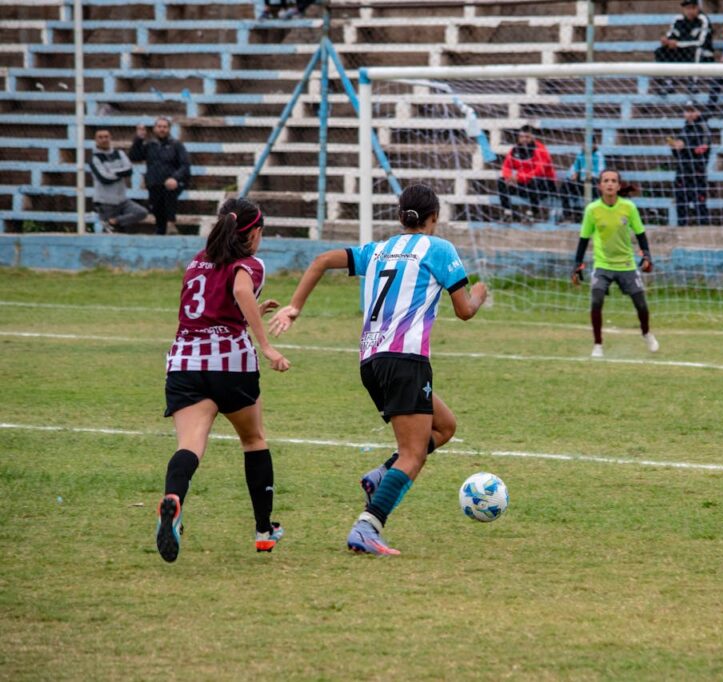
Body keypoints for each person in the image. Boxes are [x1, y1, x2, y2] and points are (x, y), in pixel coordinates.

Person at [268, 184, 488, 556]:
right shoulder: (438, 248)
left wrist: (295, 306)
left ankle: (382, 476)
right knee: (413, 454)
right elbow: (465, 310)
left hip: (371, 361)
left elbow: (321, 260)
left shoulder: (379, 249)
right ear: (433, 218)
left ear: (400, 216)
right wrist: (480, 291)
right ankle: (368, 526)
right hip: (404, 360)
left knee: (445, 426)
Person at [156, 198, 291, 564]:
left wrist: (250, 318)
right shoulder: (249, 263)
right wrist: (266, 346)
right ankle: (264, 531)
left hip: (184, 362)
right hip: (230, 364)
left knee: (190, 445)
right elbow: (240, 291)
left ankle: (174, 499)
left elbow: (211, 309)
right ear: (254, 233)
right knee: (253, 439)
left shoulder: (197, 260)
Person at [571, 169, 658, 358]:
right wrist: (577, 265)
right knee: (596, 300)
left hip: (626, 264)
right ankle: (598, 345)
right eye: (605, 180)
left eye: (613, 181)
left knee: (641, 305)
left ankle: (646, 333)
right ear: (600, 185)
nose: (609, 184)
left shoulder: (629, 207)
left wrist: (646, 256)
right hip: (602, 264)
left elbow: (641, 234)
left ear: (619, 186)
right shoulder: (592, 210)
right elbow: (584, 239)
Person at [129, 118, 190, 236]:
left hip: (172, 183)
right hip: (154, 183)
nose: (162, 129)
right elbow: (134, 157)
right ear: (154, 128)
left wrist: (175, 178)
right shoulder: (149, 145)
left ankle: (171, 224)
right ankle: (160, 230)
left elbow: (185, 165)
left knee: (169, 195)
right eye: (159, 126)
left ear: (169, 129)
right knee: (156, 208)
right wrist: (139, 139)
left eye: (165, 127)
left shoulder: (176, 145)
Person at [88, 129, 147, 233]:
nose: (104, 140)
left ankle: (114, 221)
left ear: (110, 138)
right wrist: (120, 172)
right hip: (105, 202)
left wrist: (111, 172)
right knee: (109, 233)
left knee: (141, 212)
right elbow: (104, 178)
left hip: (122, 200)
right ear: (95, 140)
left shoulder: (119, 153)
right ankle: (111, 224)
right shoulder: (94, 158)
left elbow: (129, 170)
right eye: (100, 137)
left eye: (106, 137)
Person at [653, 0, 714, 96]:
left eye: (692, 8)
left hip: (703, 54)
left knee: (697, 50)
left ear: (698, 8)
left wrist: (678, 44)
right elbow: (671, 35)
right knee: (660, 51)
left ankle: (694, 83)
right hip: (682, 53)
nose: (689, 11)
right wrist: (666, 41)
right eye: (687, 8)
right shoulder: (678, 19)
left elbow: (701, 42)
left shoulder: (703, 19)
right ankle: (668, 83)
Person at [497, 125, 557, 222]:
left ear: (533, 137)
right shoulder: (515, 149)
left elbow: (539, 171)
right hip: (524, 184)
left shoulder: (540, 149)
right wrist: (508, 176)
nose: (524, 139)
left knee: (535, 181)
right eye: (521, 137)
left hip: (545, 185)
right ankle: (507, 212)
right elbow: (506, 166)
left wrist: (519, 178)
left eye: (527, 137)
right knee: (501, 181)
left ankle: (532, 213)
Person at [669, 100, 712, 225]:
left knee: (699, 201)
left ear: (698, 112)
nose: (689, 114)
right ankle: (681, 228)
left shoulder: (704, 128)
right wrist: (674, 148)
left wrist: (685, 146)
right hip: (682, 171)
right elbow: (678, 154)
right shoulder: (684, 129)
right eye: (687, 111)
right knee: (680, 200)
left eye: (692, 111)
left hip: (697, 171)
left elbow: (702, 149)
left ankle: (703, 229)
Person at [560, 146, 606, 222]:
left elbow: (600, 172)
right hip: (580, 182)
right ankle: (567, 214)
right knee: (564, 186)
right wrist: (573, 175)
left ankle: (590, 215)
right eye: (584, 143)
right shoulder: (580, 155)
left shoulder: (598, 156)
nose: (585, 145)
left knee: (592, 183)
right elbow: (574, 168)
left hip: (593, 183)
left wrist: (589, 175)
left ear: (594, 144)